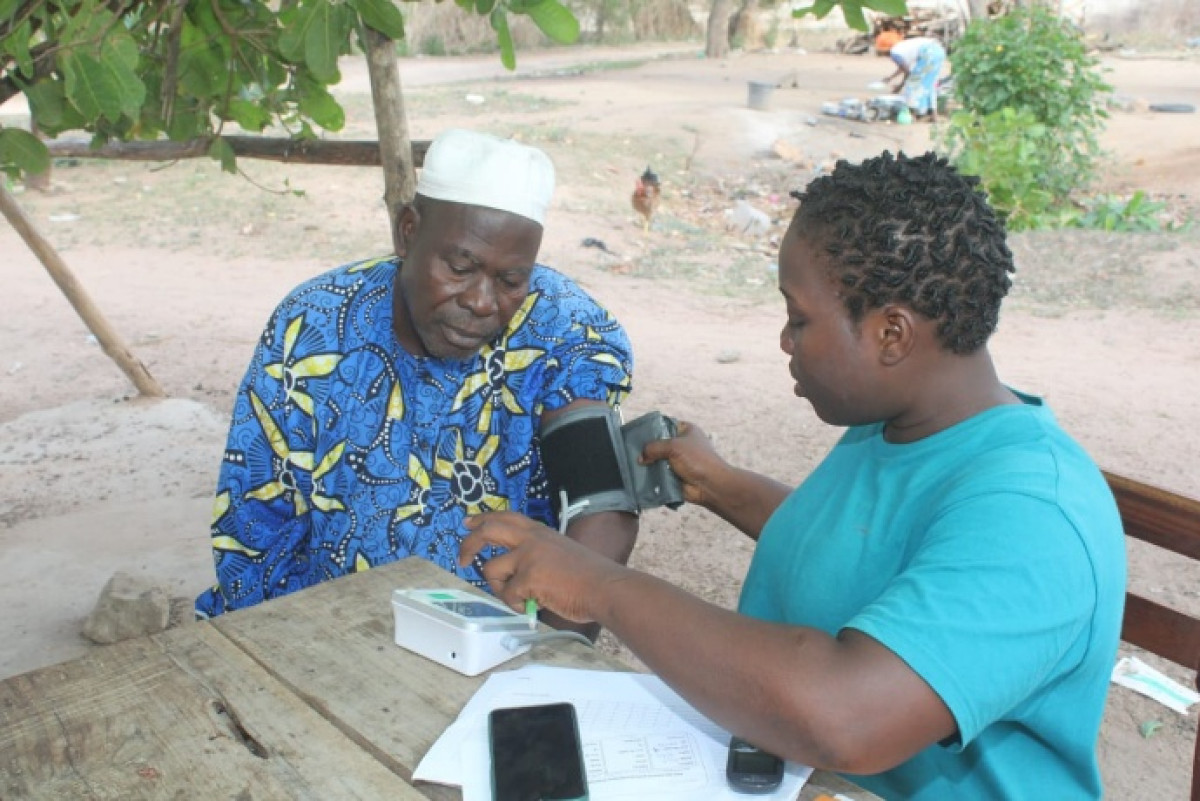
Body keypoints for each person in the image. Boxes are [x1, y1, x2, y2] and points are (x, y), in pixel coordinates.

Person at [459, 152, 1126, 798]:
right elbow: (866, 549)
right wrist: (720, 485)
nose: (785, 341)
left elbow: (848, 717)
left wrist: (598, 585)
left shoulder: (1036, 515)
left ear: (892, 334)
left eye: (799, 318)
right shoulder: (898, 424)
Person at [196, 129, 638, 630]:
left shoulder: (563, 329)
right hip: (331, 626)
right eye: (460, 267)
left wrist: (547, 657)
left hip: (500, 636)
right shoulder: (313, 326)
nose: (482, 301)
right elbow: (256, 522)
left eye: (511, 280)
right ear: (407, 232)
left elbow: (603, 506)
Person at [884, 35, 947, 120]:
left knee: (913, 83)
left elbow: (907, 71)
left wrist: (900, 86)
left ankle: (912, 113)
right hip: (939, 52)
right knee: (930, 84)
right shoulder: (902, 48)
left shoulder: (894, 54)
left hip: (928, 53)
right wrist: (890, 78)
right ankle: (934, 115)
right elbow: (903, 68)